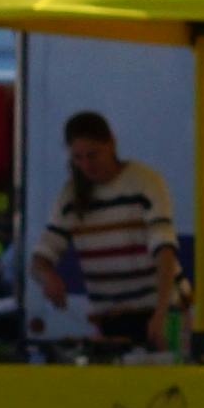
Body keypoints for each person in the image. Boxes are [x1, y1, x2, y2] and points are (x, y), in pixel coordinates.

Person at [31, 109, 180, 356]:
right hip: (109, 320)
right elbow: (39, 258)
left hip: (157, 312)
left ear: (111, 143)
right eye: (78, 158)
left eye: (93, 155)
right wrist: (48, 276)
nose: (86, 165)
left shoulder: (144, 182)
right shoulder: (70, 196)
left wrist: (161, 314)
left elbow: (165, 251)